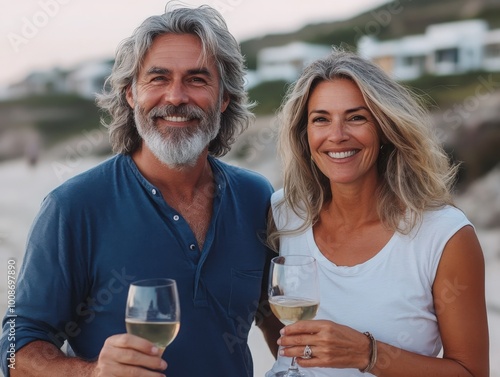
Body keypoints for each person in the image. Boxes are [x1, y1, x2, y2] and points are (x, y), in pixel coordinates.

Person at [0, 4, 276, 377]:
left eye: (197, 79)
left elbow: (273, 316)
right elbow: (14, 348)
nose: (176, 97)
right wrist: (92, 372)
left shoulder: (255, 197)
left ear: (224, 98)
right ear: (131, 94)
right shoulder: (74, 207)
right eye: (158, 79)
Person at [263, 49, 489, 376]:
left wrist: (368, 354)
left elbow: (472, 372)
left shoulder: (444, 236)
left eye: (356, 117)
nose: (337, 135)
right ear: (305, 134)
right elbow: (264, 319)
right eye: (321, 119)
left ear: (384, 127)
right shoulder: (283, 213)